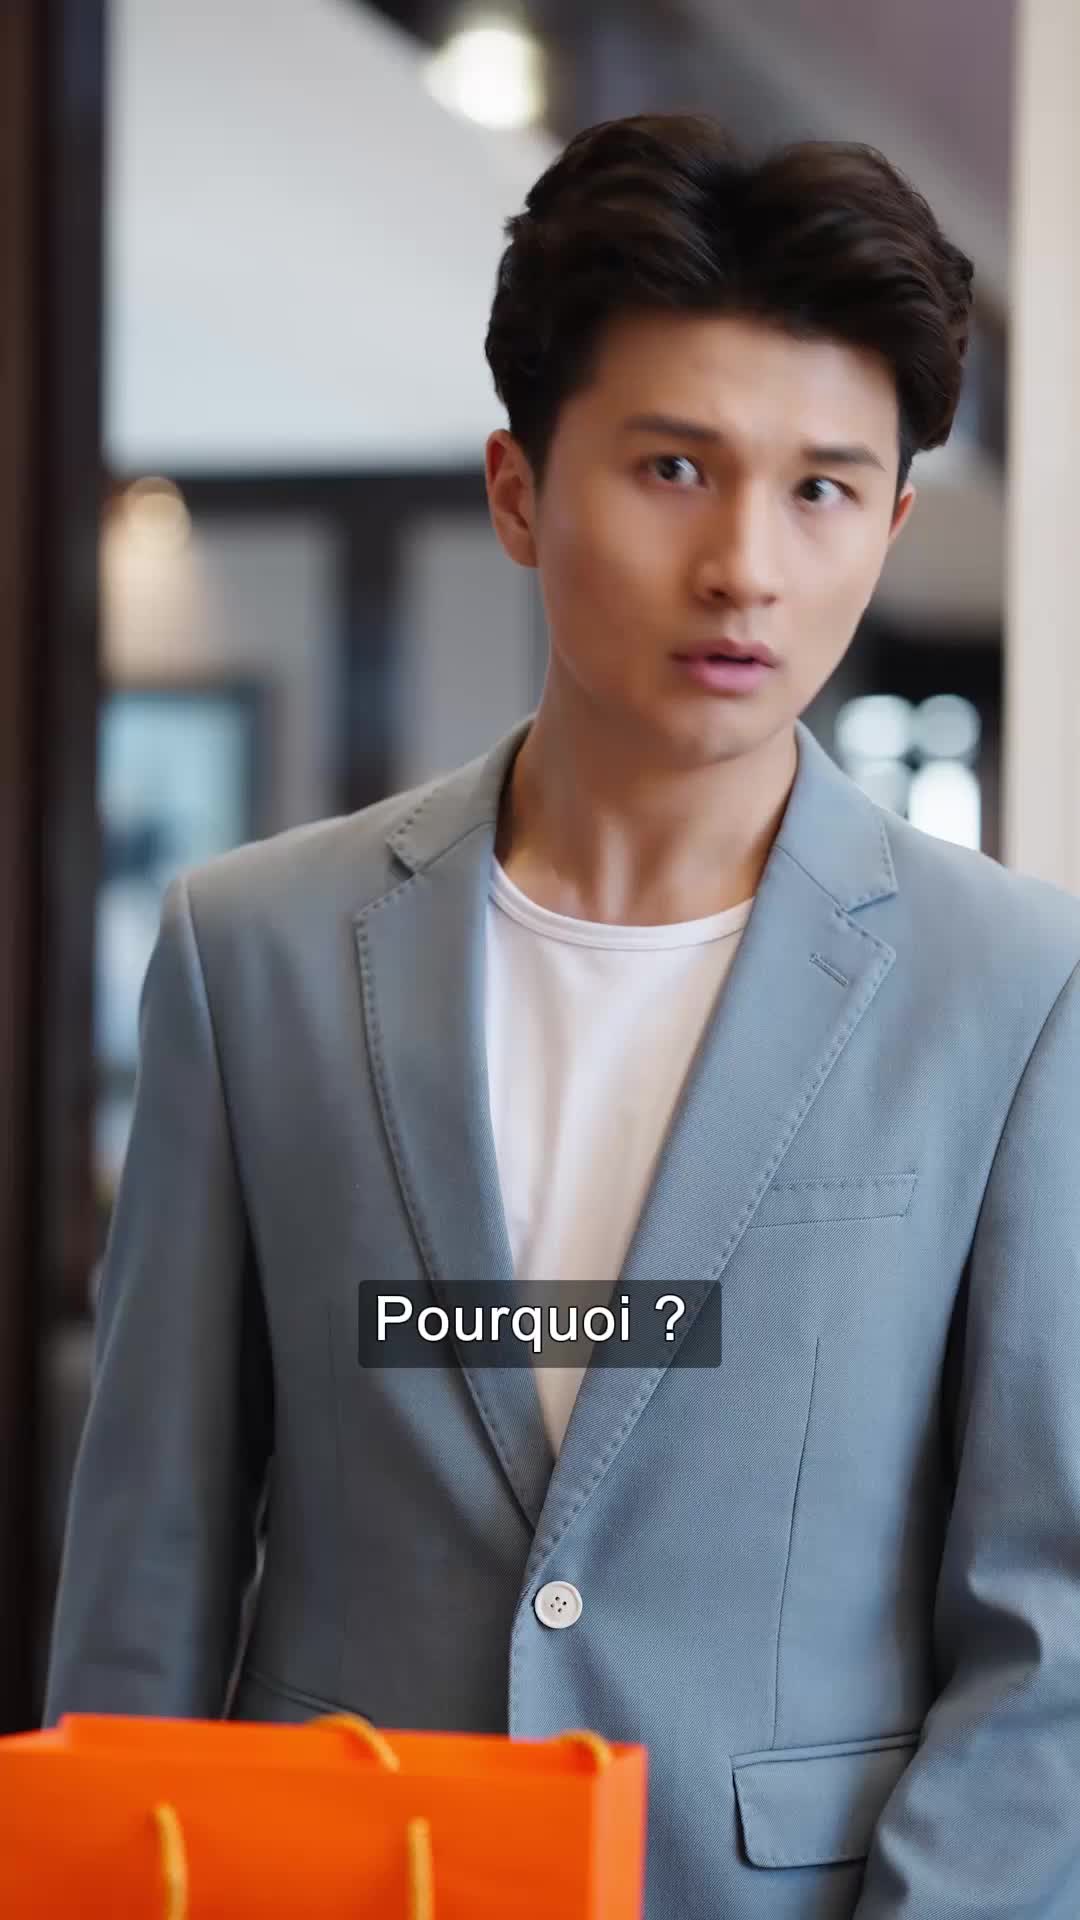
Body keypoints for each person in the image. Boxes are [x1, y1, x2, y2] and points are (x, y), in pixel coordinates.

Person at [46, 114, 1080, 1919]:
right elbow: (151, 1567)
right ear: (519, 491)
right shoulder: (256, 952)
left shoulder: (1010, 987)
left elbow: (1047, 1633)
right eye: (675, 467)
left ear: (893, 523)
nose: (746, 563)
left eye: (823, 489)